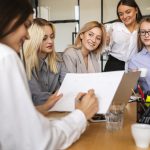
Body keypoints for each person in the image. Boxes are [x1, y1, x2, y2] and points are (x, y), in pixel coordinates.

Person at [0, 0, 99, 149]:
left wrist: (44, 107)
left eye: (52, 37)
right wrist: (81, 114)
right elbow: (38, 142)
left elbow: (13, 120)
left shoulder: (61, 59)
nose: (27, 36)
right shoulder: (7, 57)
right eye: (26, 25)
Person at [23, 18, 67, 106]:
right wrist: (60, 94)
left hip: (56, 111)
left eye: (52, 37)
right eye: (44, 38)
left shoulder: (59, 59)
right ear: (33, 40)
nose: (50, 41)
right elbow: (37, 98)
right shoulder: (25, 64)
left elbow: (69, 85)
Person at [104, 0, 142, 72]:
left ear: (136, 10)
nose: (124, 16)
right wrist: (106, 42)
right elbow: (104, 50)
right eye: (121, 14)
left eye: (128, 12)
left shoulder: (142, 29)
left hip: (134, 67)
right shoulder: (114, 27)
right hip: (113, 66)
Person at [128, 17, 150, 93]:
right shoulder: (134, 60)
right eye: (143, 32)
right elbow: (132, 90)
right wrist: (133, 77)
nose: (146, 35)